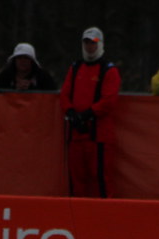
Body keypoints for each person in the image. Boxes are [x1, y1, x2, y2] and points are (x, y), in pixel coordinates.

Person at [59, 27, 121, 198]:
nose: (89, 47)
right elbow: (64, 94)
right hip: (76, 134)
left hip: (98, 135)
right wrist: (71, 112)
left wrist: (87, 114)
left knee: (100, 177)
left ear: (99, 44)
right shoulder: (76, 67)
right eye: (86, 42)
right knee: (76, 178)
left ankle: (103, 215)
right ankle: (77, 215)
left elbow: (108, 100)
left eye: (93, 43)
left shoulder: (108, 69)